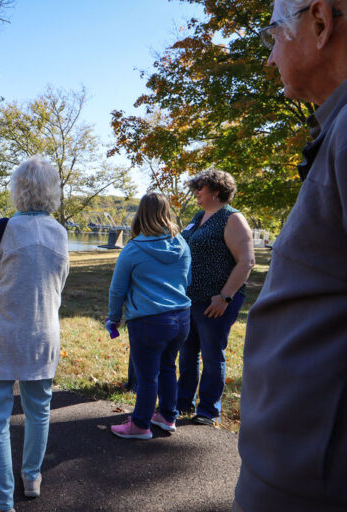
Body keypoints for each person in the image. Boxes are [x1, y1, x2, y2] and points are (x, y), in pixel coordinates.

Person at [235, 1, 347, 509]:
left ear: (320, 23)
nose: (269, 56)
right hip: (297, 468)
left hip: (312, 482)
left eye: (275, 34)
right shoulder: (337, 127)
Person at [0, 158, 69, 512]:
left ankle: (3, 502)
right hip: (43, 330)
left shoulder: (4, 227)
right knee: (39, 410)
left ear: (19, 189)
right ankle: (32, 477)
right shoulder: (60, 232)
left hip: (2, 331)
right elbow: (58, 283)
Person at [107, 192, 192, 440]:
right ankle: (167, 416)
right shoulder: (182, 244)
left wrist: (114, 317)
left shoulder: (133, 248)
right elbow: (187, 280)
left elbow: (117, 290)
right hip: (181, 317)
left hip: (148, 320)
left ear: (141, 214)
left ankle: (140, 424)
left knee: (146, 376)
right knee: (168, 367)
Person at [176, 169, 255, 426]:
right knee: (188, 353)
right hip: (191, 298)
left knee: (212, 353)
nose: (196, 192)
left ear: (217, 190)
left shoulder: (232, 218)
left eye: (201, 187)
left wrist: (224, 297)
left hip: (216, 300)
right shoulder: (199, 217)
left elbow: (247, 261)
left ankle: (208, 411)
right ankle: (181, 402)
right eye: (195, 187)